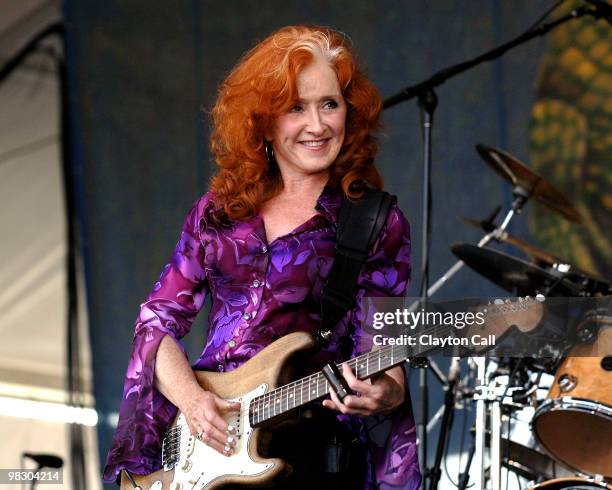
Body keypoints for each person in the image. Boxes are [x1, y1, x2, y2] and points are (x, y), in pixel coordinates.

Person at [103, 25, 421, 489]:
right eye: (296, 108)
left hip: (308, 455)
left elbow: (385, 356)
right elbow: (156, 322)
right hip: (204, 446)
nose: (318, 125)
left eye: (330, 104)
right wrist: (193, 401)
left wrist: (385, 393)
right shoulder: (218, 212)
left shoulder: (374, 221)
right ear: (264, 121)